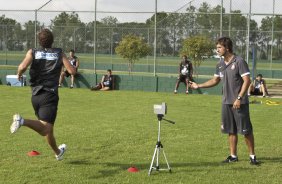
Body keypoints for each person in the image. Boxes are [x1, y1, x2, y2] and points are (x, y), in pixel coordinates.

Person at [190, 37, 259, 165]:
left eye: (219, 47)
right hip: (226, 102)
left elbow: (247, 81)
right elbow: (215, 81)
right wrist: (198, 85)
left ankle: (252, 157)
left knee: (246, 131)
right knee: (231, 130)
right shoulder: (220, 64)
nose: (217, 50)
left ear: (227, 48)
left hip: (240, 103)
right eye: (217, 48)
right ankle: (233, 156)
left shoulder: (239, 62)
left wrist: (239, 98)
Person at [10, 28, 76, 160]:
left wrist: (19, 74)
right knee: (45, 128)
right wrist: (67, 71)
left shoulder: (32, 51)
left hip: (35, 95)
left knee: (48, 127)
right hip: (49, 94)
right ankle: (21, 121)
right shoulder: (59, 53)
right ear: (52, 41)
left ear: (40, 41)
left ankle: (58, 152)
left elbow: (22, 67)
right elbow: (72, 71)